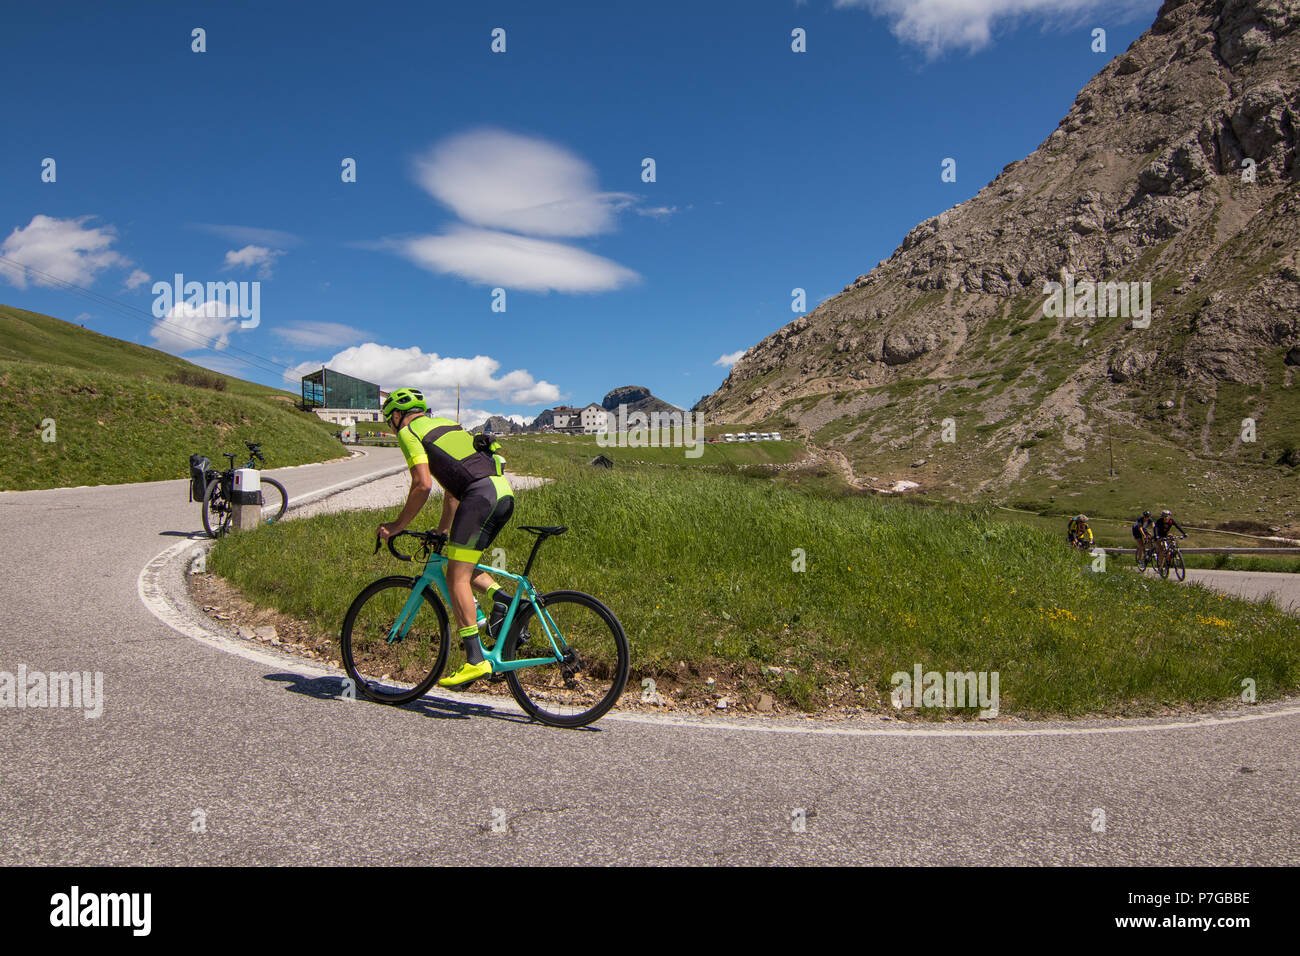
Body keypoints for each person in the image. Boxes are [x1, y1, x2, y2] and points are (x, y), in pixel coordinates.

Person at [376, 387, 514, 687]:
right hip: (502, 494)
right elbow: (453, 491)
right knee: (460, 562)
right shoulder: (448, 427)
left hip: (479, 498)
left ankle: (475, 661)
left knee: (455, 578)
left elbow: (422, 485)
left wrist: (397, 525)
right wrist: (440, 530)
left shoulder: (409, 431)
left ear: (397, 415)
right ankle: (506, 602)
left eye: (390, 418)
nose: (391, 424)